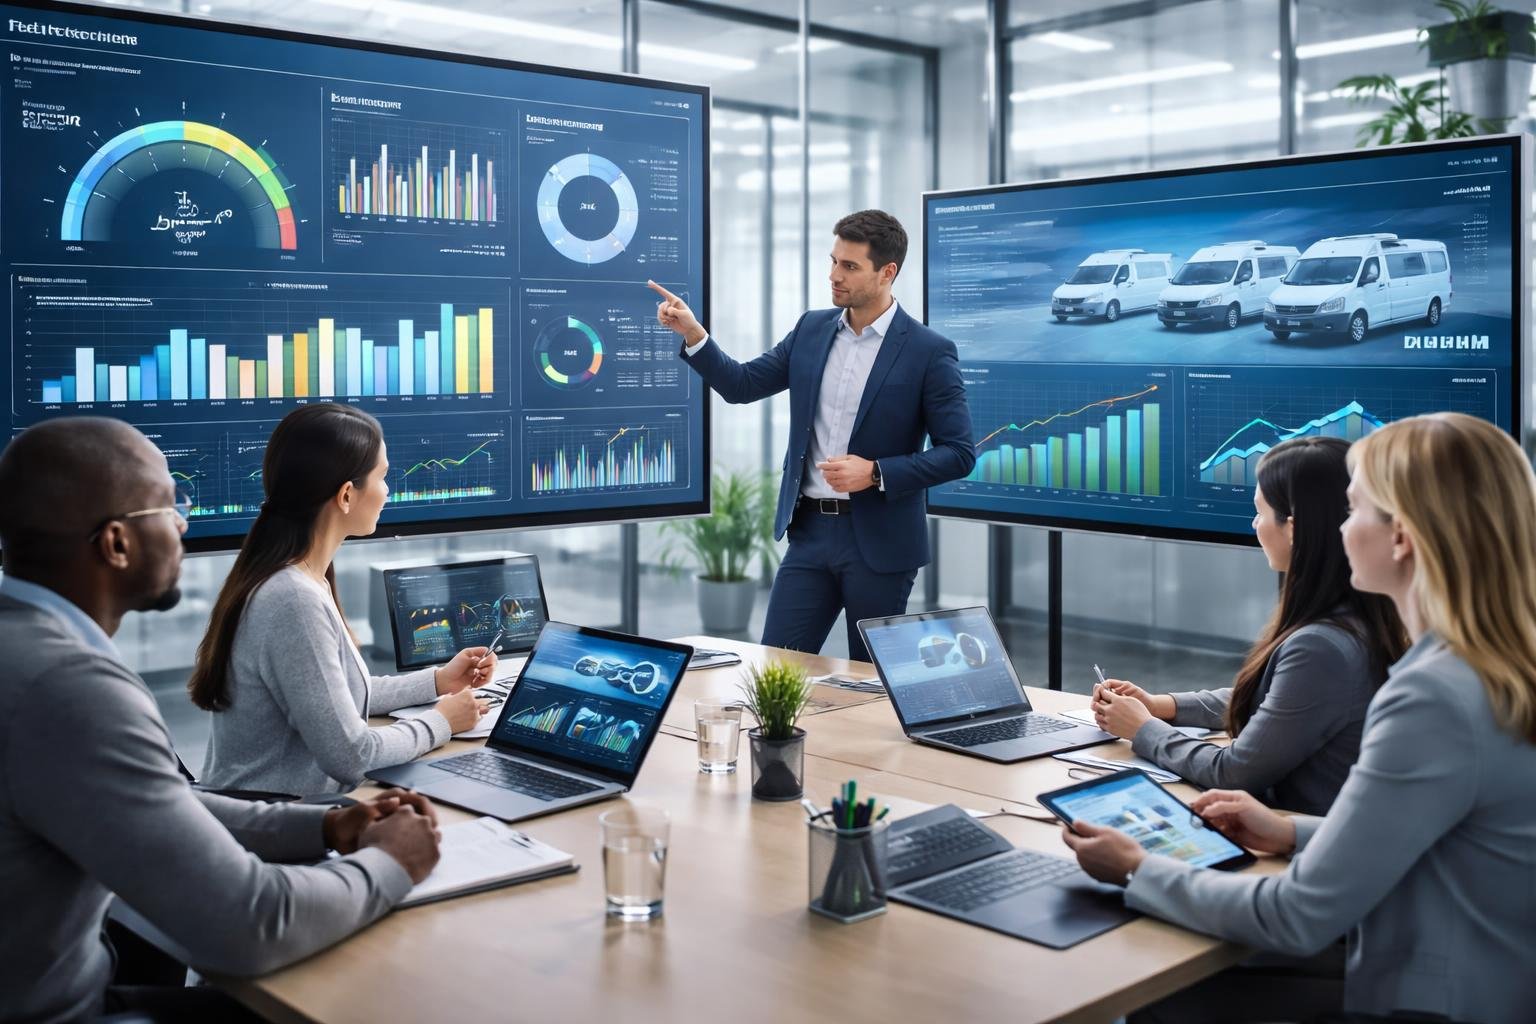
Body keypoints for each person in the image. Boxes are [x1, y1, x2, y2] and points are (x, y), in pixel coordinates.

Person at [1063, 413, 1536, 1023]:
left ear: (1402, 539)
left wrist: (1135, 867)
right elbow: (1445, 834)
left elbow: (1296, 915)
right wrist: (1291, 832)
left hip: (1434, 1000)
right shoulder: (1492, 665)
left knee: (1155, 993)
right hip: (1495, 983)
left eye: (1355, 511)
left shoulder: (1432, 697)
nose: (1340, 531)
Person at [0, 417, 442, 1024]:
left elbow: (170, 802)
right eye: (168, 505)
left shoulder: (24, 648)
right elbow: (254, 924)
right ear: (116, 544)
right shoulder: (68, 690)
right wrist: (393, 863)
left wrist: (327, 827)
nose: (184, 522)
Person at [648, 210, 975, 662]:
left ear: (887, 272)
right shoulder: (811, 329)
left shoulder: (928, 351)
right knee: (776, 672)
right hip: (810, 534)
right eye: (833, 261)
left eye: (849, 266)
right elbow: (742, 385)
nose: (834, 275)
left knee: (871, 685)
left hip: (881, 544)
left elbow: (959, 453)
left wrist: (876, 472)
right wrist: (694, 334)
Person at [1091, 436, 1406, 814]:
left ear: (1292, 527)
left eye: (1259, 511)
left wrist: (1143, 729)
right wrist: (1162, 706)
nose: (1254, 524)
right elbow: (1281, 702)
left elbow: (1234, 771)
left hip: (1288, 840)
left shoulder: (1322, 646)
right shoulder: (1361, 616)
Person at [196, 403, 496, 797]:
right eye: (383, 476)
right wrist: (441, 722)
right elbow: (352, 754)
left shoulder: (300, 578)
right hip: (271, 830)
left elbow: (341, 694)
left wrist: (439, 681)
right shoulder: (292, 600)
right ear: (346, 496)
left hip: (284, 817)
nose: (389, 490)